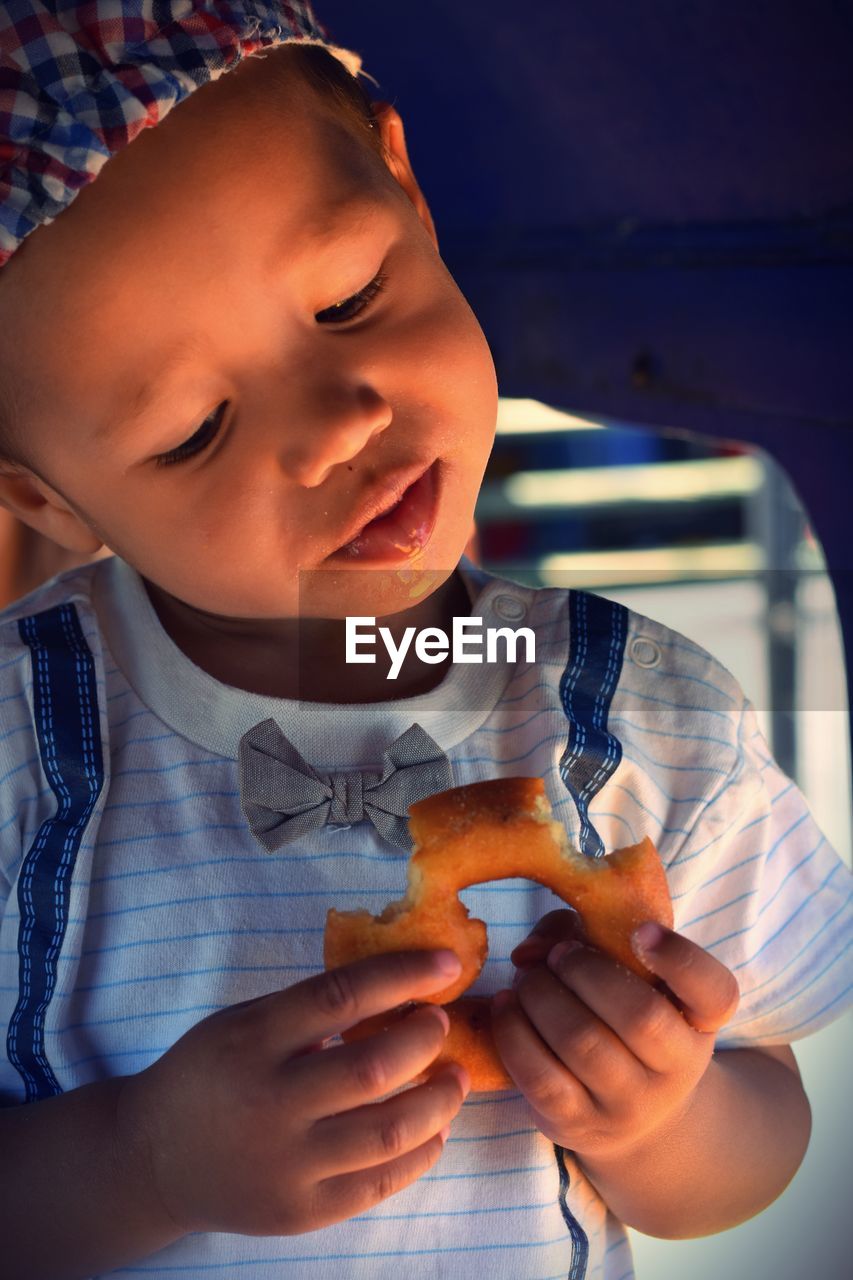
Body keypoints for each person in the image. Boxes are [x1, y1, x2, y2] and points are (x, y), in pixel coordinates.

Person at [0, 4, 849, 1278]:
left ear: (406, 184)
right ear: (49, 502)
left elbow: (767, 1112)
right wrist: (139, 1157)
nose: (336, 423)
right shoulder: (19, 742)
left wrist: (665, 1119)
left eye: (348, 297)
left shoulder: (648, 718)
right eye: (191, 428)